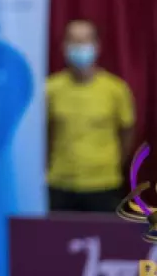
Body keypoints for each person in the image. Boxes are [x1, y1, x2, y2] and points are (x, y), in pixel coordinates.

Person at [47, 19, 136, 212]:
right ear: (64, 46)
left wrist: (113, 163)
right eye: (73, 41)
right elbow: (43, 134)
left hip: (104, 185)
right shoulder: (50, 89)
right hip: (60, 184)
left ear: (96, 46)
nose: (79, 47)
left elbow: (127, 132)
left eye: (85, 41)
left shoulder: (116, 89)